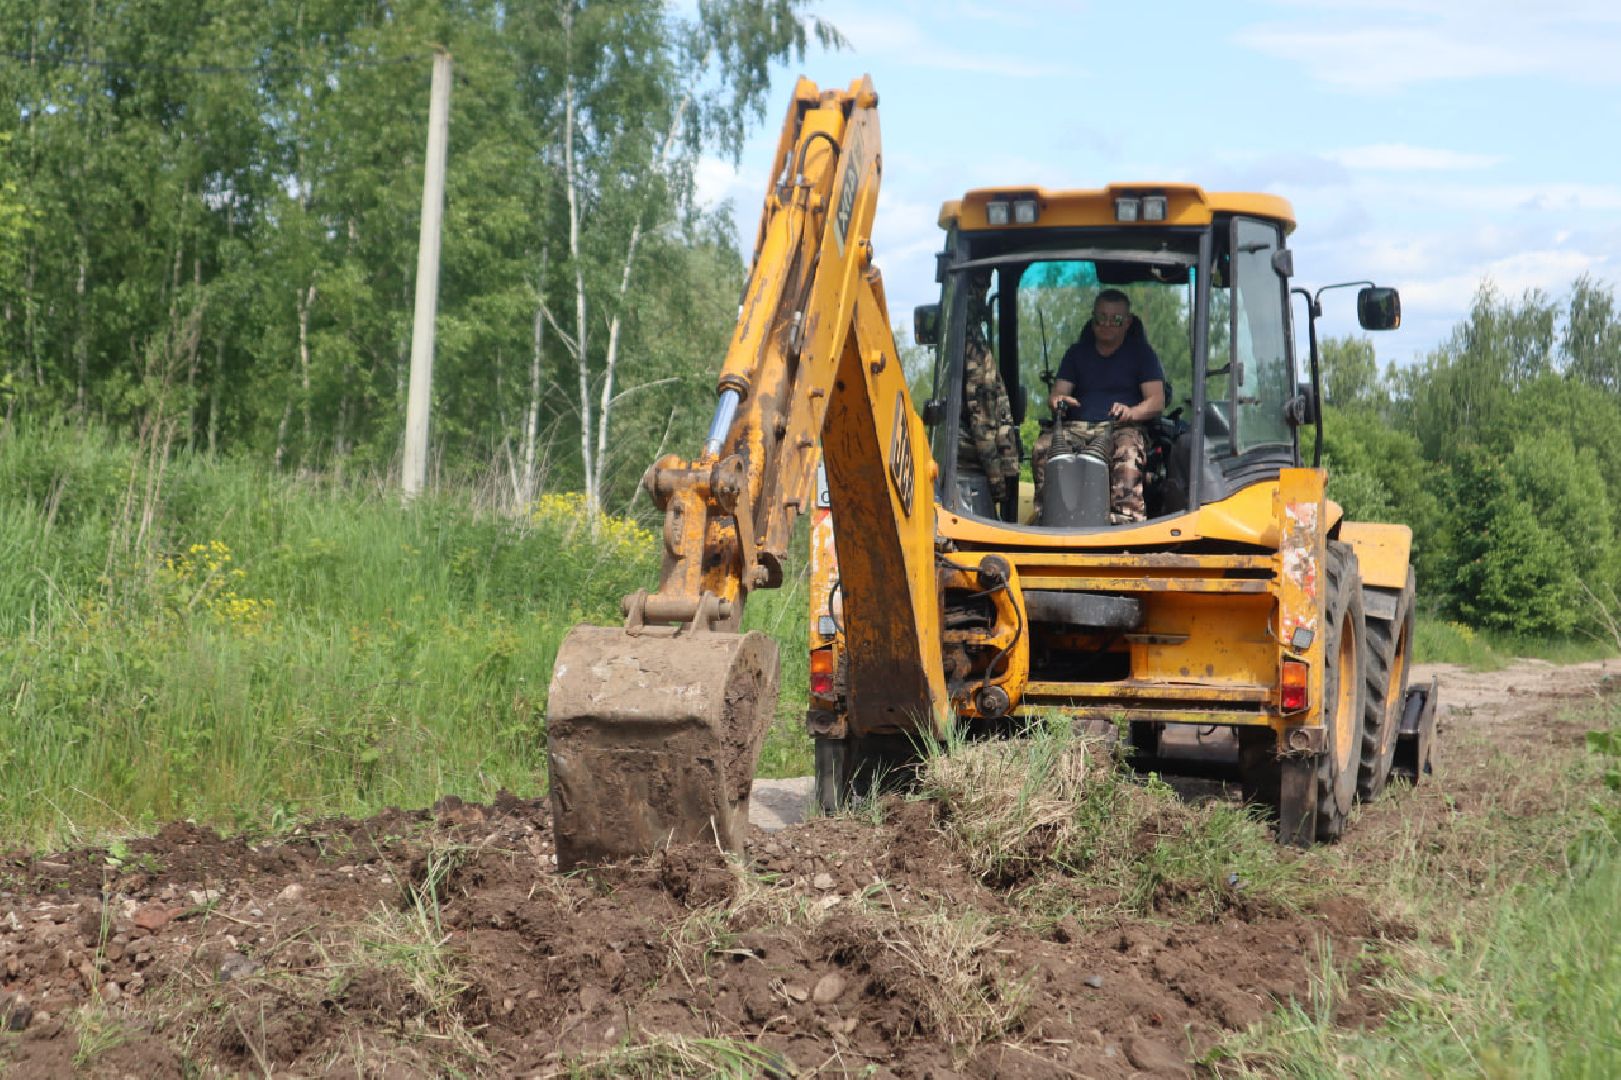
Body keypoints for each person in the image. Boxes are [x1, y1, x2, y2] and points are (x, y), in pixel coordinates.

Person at [1033, 289, 1165, 523]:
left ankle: (1127, 519)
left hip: (1121, 427)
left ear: (1128, 322)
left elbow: (1156, 401)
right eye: (1100, 317)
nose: (1107, 324)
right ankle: (1048, 514)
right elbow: (1058, 394)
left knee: (1127, 450)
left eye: (1115, 319)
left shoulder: (1142, 355)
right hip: (1076, 426)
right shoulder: (1076, 354)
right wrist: (1059, 401)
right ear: (1092, 319)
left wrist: (1131, 412)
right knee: (1044, 446)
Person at [956, 273, 1021, 515]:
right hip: (973, 469)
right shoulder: (971, 346)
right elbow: (981, 421)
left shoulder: (969, 337)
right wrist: (998, 483)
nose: (984, 292)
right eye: (980, 285)